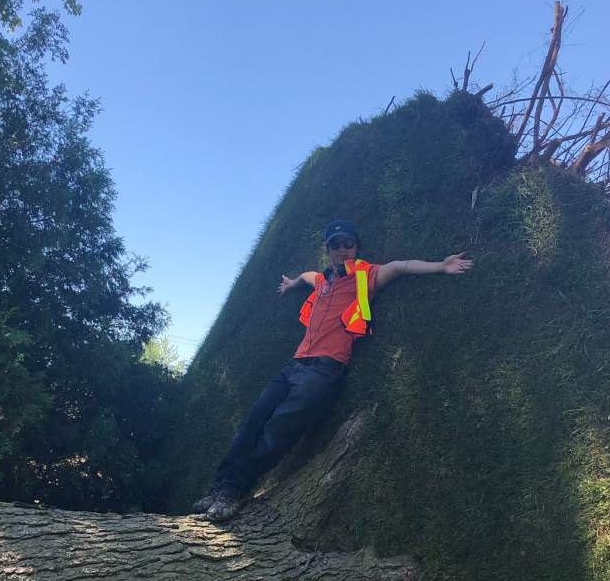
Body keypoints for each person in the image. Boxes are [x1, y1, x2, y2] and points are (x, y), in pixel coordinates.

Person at [195, 219, 473, 521]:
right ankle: (219, 486)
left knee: (279, 430)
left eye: (348, 243)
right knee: (252, 422)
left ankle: (234, 490)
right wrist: (292, 284)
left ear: (356, 247)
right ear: (328, 249)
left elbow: (400, 266)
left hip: (324, 370)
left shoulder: (366, 277)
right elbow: (306, 275)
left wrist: (441, 266)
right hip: (295, 364)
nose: (342, 249)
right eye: (336, 244)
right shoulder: (322, 280)